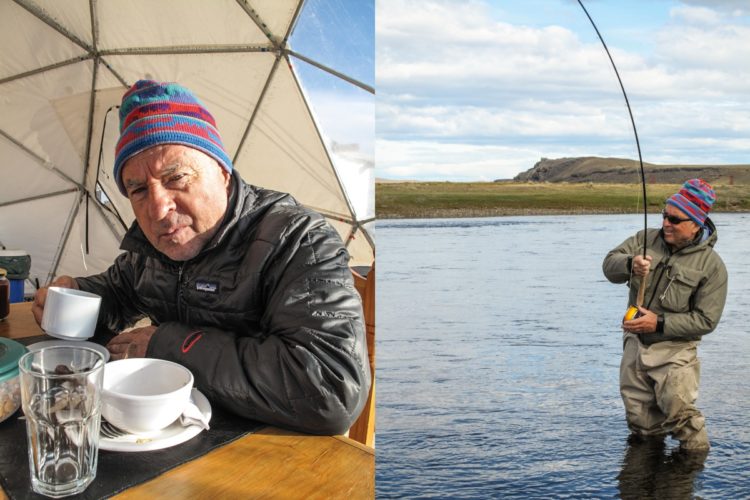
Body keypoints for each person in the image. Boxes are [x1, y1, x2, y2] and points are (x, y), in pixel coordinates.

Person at [31, 80, 371, 435]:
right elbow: (119, 293)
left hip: (272, 451)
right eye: (139, 189)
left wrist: (167, 345)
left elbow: (331, 389)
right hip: (170, 435)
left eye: (177, 177)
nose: (159, 209)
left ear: (223, 173)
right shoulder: (152, 248)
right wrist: (75, 294)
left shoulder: (297, 239)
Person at [602, 179, 727, 452]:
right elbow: (609, 266)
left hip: (675, 352)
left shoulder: (712, 267)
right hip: (635, 346)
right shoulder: (644, 239)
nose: (666, 223)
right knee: (640, 425)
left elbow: (707, 320)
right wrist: (629, 264)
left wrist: (657, 322)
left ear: (696, 224)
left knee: (684, 423)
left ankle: (688, 481)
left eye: (675, 219)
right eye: (664, 215)